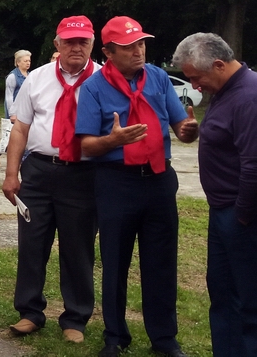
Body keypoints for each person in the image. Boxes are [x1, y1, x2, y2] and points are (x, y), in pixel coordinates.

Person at [75, 16, 198, 357]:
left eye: (141, 43)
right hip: (117, 182)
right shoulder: (94, 88)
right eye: (128, 47)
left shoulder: (157, 77)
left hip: (159, 179)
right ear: (108, 51)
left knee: (161, 262)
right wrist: (111, 140)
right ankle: (115, 336)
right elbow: (86, 145)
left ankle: (164, 338)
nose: (138, 51)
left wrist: (189, 130)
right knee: (114, 262)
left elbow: (180, 125)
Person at [2, 15, 100, 344]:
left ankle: (76, 317)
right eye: (69, 41)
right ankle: (30, 312)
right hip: (39, 170)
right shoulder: (38, 78)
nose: (76, 47)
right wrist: (11, 174)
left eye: (82, 41)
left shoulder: (104, 79)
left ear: (92, 43)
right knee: (32, 244)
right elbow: (21, 128)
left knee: (78, 247)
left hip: (83, 174)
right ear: (57, 44)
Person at [172, 33, 257, 357]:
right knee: (222, 295)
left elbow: (253, 165)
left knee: (249, 301)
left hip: (242, 215)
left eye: (196, 77)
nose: (194, 87)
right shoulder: (226, 90)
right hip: (223, 212)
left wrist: (242, 216)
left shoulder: (249, 96)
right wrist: (198, 133)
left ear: (219, 65)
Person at [0, 49, 31, 167]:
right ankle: (0, 152)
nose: (28, 63)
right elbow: (8, 96)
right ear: (18, 62)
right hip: (15, 112)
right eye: (25, 61)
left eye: (29, 60)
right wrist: (12, 113)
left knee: (24, 136)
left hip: (26, 109)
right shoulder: (12, 77)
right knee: (15, 136)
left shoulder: (30, 75)